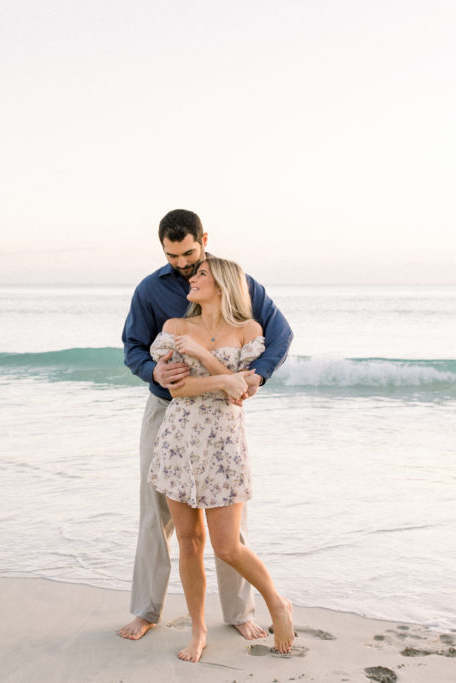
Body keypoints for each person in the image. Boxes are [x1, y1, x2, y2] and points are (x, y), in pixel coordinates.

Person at [119, 209, 293, 642]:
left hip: (220, 422)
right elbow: (133, 347)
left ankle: (238, 611)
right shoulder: (150, 290)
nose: (181, 263)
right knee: (156, 514)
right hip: (167, 412)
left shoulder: (239, 283)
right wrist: (152, 372)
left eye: (188, 253)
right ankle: (146, 610)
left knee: (228, 526)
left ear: (204, 239)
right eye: (172, 254)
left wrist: (256, 376)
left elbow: (280, 334)